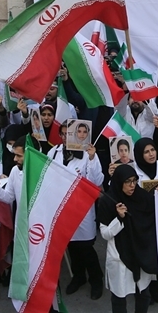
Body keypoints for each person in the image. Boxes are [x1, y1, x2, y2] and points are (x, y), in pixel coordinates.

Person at [46, 119, 105, 301]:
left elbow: (96, 182)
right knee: (70, 245)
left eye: (69, 133)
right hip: (62, 208)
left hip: (82, 209)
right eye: (63, 133)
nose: (66, 137)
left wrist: (93, 158)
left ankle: (96, 280)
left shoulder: (88, 155)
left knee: (86, 247)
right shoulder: (53, 152)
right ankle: (78, 277)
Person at [98, 164, 158, 313]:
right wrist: (119, 219)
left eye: (134, 181)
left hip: (141, 253)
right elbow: (105, 234)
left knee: (143, 294)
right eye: (127, 182)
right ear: (119, 182)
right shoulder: (108, 202)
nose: (132, 185)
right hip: (121, 257)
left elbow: (156, 209)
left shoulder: (141, 197)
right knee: (119, 298)